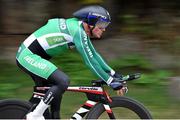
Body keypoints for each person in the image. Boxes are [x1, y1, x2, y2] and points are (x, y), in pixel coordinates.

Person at [16, 5, 123, 120]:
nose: (104, 29)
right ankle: (34, 115)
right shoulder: (78, 31)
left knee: (56, 90)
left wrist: (113, 73)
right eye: (101, 25)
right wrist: (110, 81)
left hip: (34, 56)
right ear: (91, 23)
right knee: (62, 81)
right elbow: (90, 61)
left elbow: (94, 55)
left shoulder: (80, 28)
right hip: (28, 56)